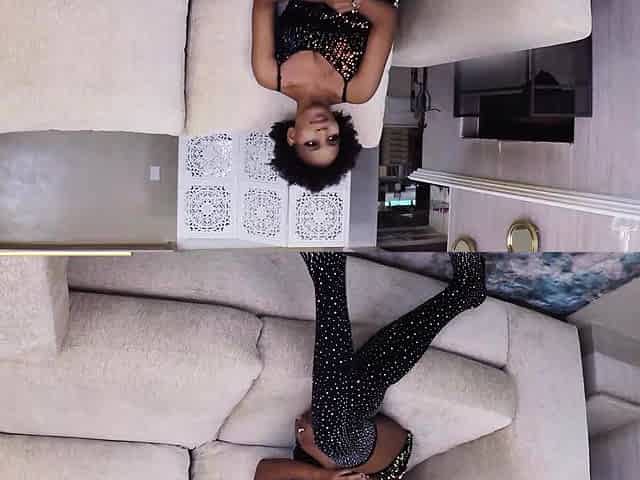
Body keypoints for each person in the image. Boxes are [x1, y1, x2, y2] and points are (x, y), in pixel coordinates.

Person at [254, 252, 487, 480]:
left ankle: (465, 291)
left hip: (341, 420)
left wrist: (321, 475)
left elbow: (263, 472)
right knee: (333, 439)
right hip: (376, 461)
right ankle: (327, 266)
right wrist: (323, 458)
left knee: (362, 380)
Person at [252, 0, 399, 192]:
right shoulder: (358, 90)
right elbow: (388, 18)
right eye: (332, 139)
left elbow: (263, 4)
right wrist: (356, 2)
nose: (323, 132)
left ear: (292, 136)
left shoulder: (268, 74)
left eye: (311, 143)